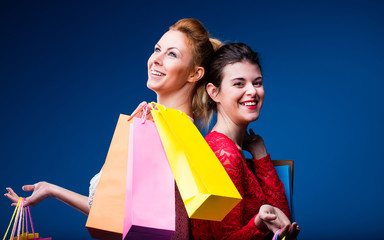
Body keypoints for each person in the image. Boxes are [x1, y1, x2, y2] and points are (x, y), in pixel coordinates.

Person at [5, 18, 222, 240]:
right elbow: (113, 212)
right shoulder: (171, 126)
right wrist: (52, 189)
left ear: (195, 74)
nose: (156, 59)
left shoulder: (168, 129)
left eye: (172, 54)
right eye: (157, 49)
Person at [191, 43, 300, 240]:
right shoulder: (224, 155)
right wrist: (258, 223)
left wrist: (260, 154)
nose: (252, 91)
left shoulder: (234, 149)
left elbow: (284, 223)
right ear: (214, 92)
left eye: (257, 82)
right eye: (239, 84)